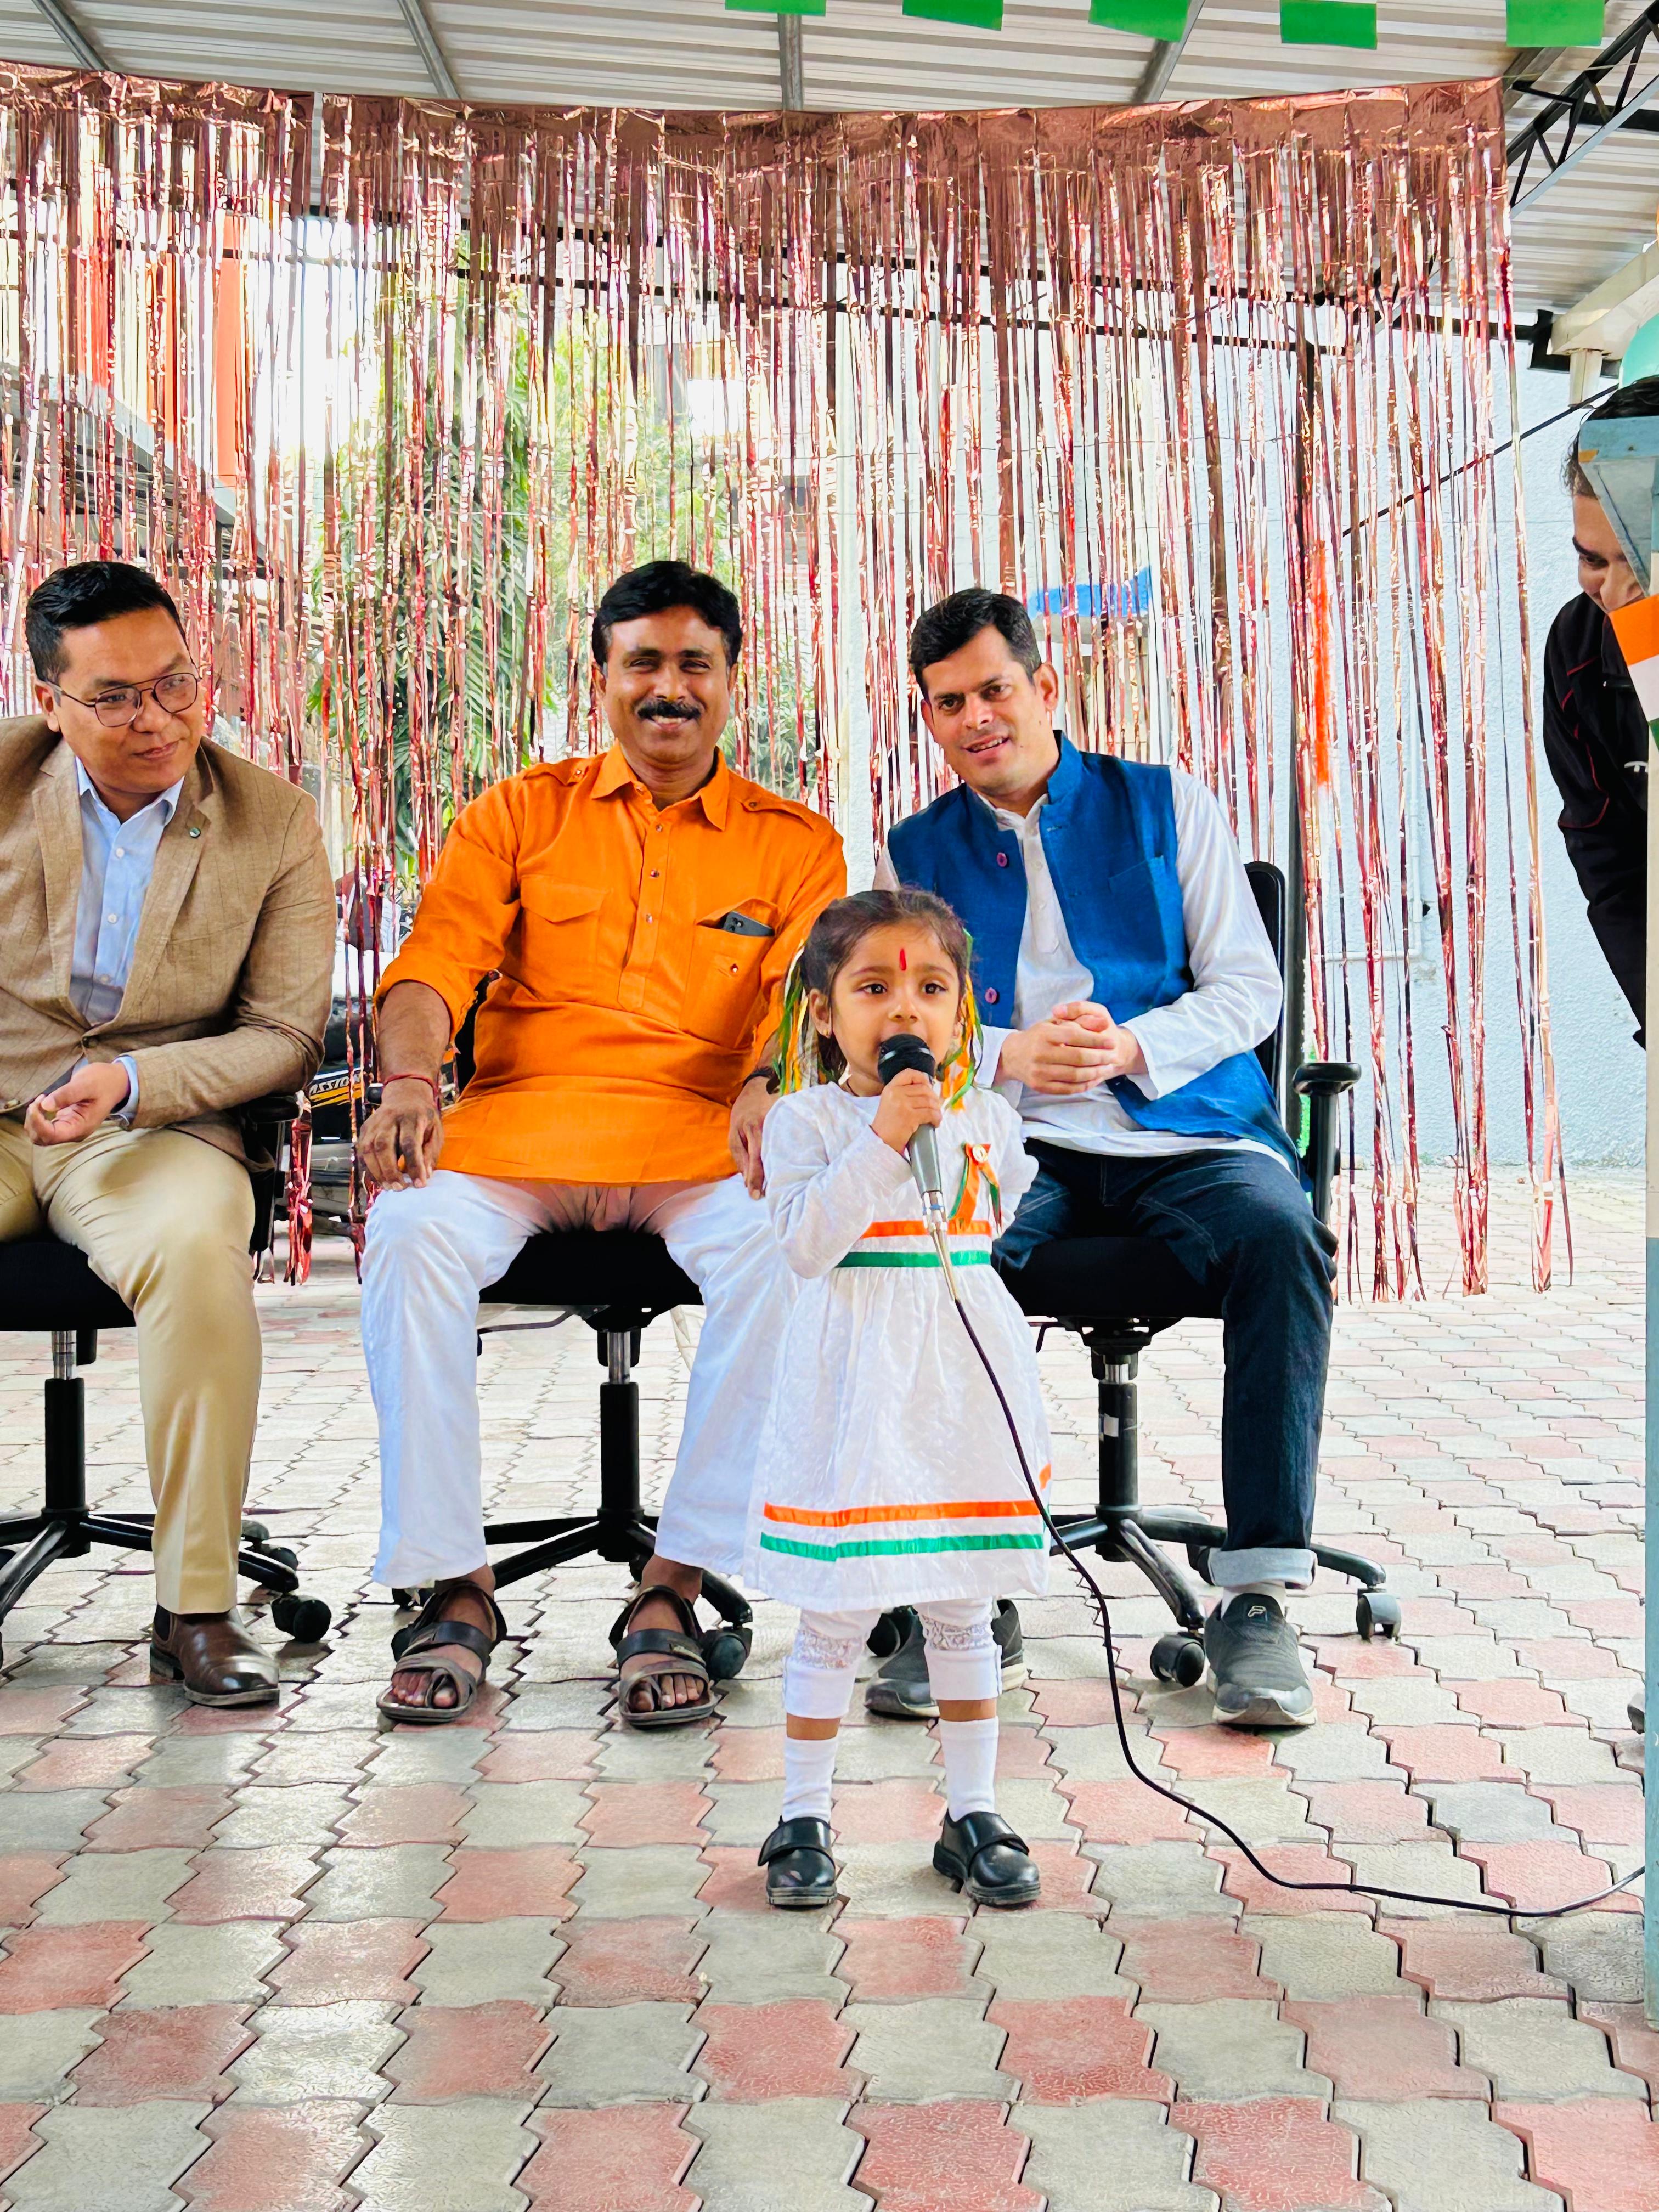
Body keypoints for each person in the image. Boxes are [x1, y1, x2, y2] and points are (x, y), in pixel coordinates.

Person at [357, 560, 844, 1726]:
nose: (668, 687)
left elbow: (804, 1002)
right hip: (518, 1131)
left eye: (694, 664)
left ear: (731, 681)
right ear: (601, 679)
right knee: (409, 1232)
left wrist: (772, 1083)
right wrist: (410, 1079)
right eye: (643, 663)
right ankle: (454, 1586)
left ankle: (675, 1585)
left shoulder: (797, 843)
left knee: (788, 1251)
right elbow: (433, 964)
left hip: (704, 1144)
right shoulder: (518, 814)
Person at [878, 588, 1335, 1731]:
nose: (976, 719)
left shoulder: (1166, 804)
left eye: (994, 690)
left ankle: (1257, 1595)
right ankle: (968, 1591)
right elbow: (891, 1024)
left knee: (1278, 1237)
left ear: (1044, 685)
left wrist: (1131, 1046)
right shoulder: (914, 851)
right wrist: (1006, 1053)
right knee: (931, 1261)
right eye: (948, 704)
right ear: (928, 718)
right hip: (1015, 1138)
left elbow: (1248, 989)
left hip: (1182, 1130)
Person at [0, 560, 335, 1703]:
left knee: (197, 1256)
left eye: (175, 683)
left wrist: (132, 1081)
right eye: (115, 696)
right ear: (50, 702)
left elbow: (285, 1035)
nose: (157, 717)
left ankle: (195, 1607)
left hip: (156, 1126)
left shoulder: (272, 821)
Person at [749, 888, 1047, 1910]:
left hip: (957, 1387)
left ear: (963, 1011)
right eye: (873, 988)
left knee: (962, 1602)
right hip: (854, 1389)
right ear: (824, 1013)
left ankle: (973, 1812)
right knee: (837, 1610)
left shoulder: (989, 1118)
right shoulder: (806, 1121)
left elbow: (990, 1224)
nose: (905, 1008)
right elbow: (807, 1245)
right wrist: (881, 1140)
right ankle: (802, 1813)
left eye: (930, 988)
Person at [1544, 374, 1659, 1041]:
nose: (1612, 593)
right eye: (1592, 561)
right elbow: (1609, 857)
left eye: (1638, 567)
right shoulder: (1578, 646)